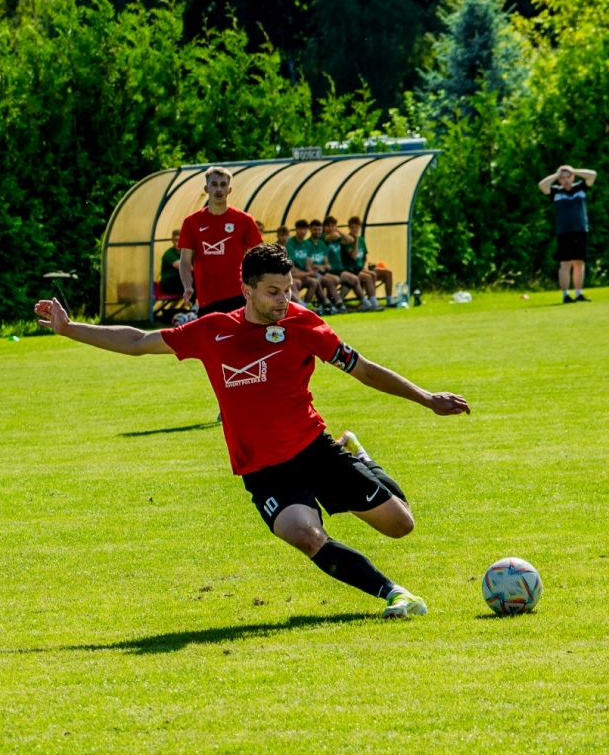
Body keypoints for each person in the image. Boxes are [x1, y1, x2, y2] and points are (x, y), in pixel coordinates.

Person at [32, 243, 471, 618]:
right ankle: (394, 594)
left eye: (288, 289)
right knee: (303, 534)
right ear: (247, 290)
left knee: (401, 526)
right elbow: (137, 342)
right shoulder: (213, 331)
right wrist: (69, 329)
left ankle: (358, 456)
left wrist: (427, 398)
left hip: (314, 450)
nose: (284, 300)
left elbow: (365, 371)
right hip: (264, 471)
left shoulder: (305, 324)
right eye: (273, 292)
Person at [177, 167, 264, 316]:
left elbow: (260, 256)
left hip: (238, 293)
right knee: (210, 332)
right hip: (206, 296)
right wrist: (187, 286)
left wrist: (257, 285)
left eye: (223, 184)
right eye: (214, 184)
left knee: (239, 331)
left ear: (229, 190)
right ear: (206, 189)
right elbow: (185, 261)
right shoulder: (191, 222)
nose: (219, 189)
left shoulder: (244, 220)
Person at [538, 164, 597, 303]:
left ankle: (579, 294)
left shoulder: (581, 188)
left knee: (579, 262)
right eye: (562, 178)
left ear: (572, 177)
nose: (565, 180)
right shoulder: (556, 192)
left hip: (580, 230)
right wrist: (556, 174)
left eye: (568, 177)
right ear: (559, 180)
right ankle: (565, 295)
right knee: (565, 263)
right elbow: (542, 185)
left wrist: (573, 170)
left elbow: (593, 174)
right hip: (564, 232)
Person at [323, 217, 380, 310]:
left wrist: (339, 231)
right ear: (324, 227)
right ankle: (339, 303)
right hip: (336, 269)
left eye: (333, 226)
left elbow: (351, 241)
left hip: (340, 270)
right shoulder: (323, 237)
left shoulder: (340, 238)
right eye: (328, 226)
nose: (331, 228)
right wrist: (337, 232)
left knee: (359, 278)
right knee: (362, 277)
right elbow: (353, 256)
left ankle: (368, 303)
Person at [344, 217, 392, 305]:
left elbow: (365, 257)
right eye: (352, 227)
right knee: (371, 275)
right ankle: (372, 301)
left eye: (356, 227)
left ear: (360, 227)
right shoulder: (347, 240)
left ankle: (389, 301)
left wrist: (365, 266)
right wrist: (356, 240)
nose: (354, 229)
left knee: (388, 273)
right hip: (354, 270)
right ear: (349, 227)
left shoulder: (361, 239)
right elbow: (354, 256)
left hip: (363, 267)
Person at [283, 221, 322, 307]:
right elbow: (291, 268)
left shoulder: (307, 244)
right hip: (292, 274)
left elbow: (308, 264)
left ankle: (306, 305)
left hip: (302, 274)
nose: (303, 231)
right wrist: (307, 273)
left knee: (314, 281)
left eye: (305, 229)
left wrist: (312, 272)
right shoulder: (290, 244)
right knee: (296, 282)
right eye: (300, 229)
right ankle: (299, 306)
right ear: (296, 230)